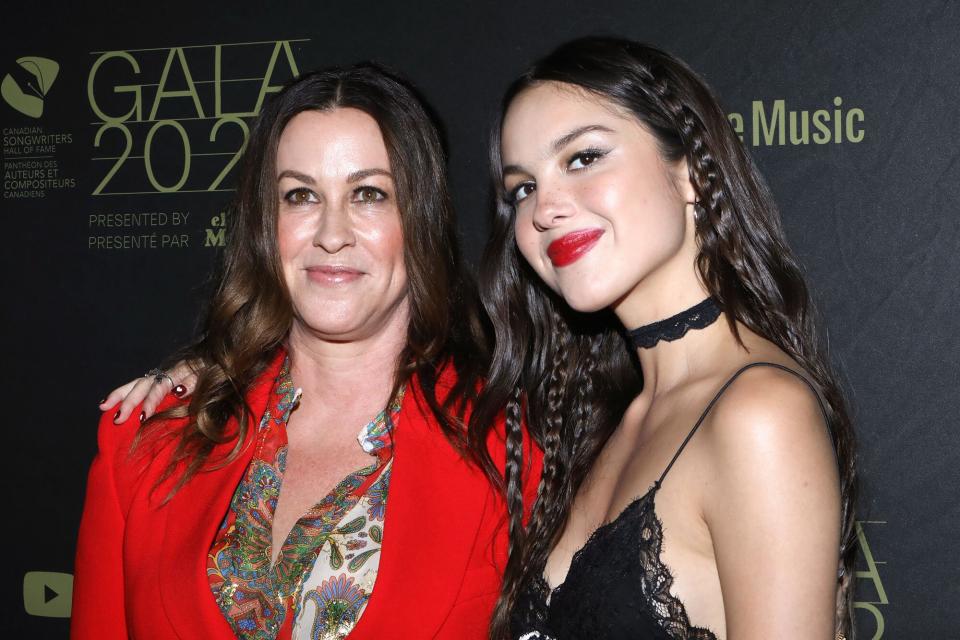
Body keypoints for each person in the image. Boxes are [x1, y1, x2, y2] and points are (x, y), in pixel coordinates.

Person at [72, 63, 540, 640]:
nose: (331, 232)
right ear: (266, 224)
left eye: (369, 194)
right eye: (300, 195)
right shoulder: (147, 441)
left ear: (419, 218)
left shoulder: (516, 452)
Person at [469, 37, 858, 639]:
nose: (544, 207)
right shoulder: (610, 422)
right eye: (522, 188)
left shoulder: (759, 416)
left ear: (691, 173)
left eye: (582, 158)